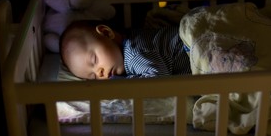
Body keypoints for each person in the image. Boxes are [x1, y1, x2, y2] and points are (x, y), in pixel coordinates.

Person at [59, 20, 191, 80]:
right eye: (93, 77)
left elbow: (158, 81)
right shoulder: (132, 38)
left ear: (106, 33)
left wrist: (122, 84)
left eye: (94, 60)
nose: (99, 73)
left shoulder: (133, 55)